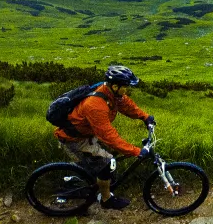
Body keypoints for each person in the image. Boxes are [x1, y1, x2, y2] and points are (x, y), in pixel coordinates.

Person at [54, 65, 155, 210]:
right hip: (74, 141)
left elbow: (126, 104)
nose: (127, 90)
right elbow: (108, 136)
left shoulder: (110, 93)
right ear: (115, 86)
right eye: (125, 87)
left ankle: (76, 180)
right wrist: (136, 151)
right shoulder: (95, 105)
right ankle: (106, 199)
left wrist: (145, 117)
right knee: (106, 163)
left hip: (85, 135)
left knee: (103, 160)